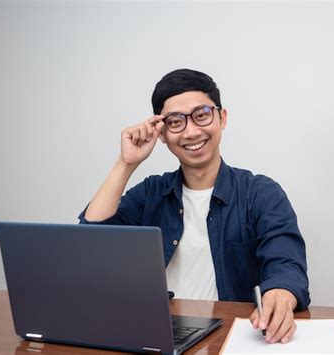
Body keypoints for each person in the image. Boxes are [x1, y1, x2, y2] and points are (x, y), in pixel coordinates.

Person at [78, 69, 310, 343]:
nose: (191, 131)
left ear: (221, 118)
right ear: (162, 133)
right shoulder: (151, 193)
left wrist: (280, 293)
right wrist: (126, 163)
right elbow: (89, 243)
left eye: (201, 115)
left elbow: (286, 264)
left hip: (230, 338)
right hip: (159, 334)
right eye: (176, 122)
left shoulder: (261, 194)